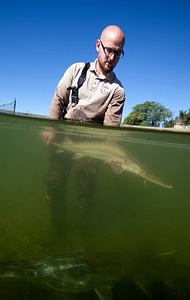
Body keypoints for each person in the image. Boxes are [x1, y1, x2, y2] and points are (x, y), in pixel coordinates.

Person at [44, 25, 126, 237]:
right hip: (65, 133)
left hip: (93, 140)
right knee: (53, 184)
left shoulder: (117, 91)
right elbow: (57, 101)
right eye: (108, 49)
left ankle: (81, 236)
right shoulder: (76, 70)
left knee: (85, 191)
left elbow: (111, 130)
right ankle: (57, 228)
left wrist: (112, 152)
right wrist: (51, 128)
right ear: (98, 45)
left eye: (118, 52)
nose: (112, 56)